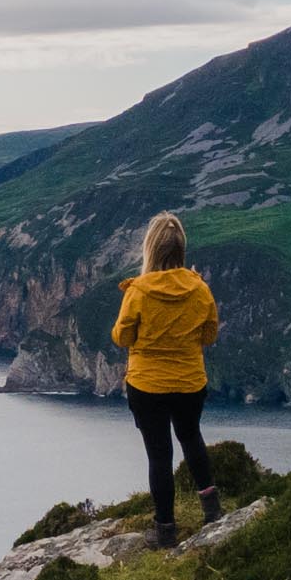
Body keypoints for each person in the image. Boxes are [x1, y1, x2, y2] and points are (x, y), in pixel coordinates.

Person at [111, 211, 222, 548]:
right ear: (181, 248)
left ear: (150, 249)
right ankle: (212, 511)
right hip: (189, 382)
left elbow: (123, 337)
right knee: (191, 438)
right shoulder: (200, 289)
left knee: (159, 456)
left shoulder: (138, 291)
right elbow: (210, 335)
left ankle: (166, 530)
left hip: (147, 385)